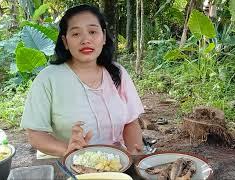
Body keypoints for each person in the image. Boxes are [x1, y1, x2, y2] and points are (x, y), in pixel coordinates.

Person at [20, 4, 144, 158]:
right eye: (76, 34)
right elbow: (35, 134)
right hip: (66, 163)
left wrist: (135, 155)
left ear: (103, 37)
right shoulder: (48, 79)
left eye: (92, 32)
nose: (86, 40)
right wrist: (69, 150)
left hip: (116, 161)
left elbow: (130, 122)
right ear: (65, 41)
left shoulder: (117, 73)